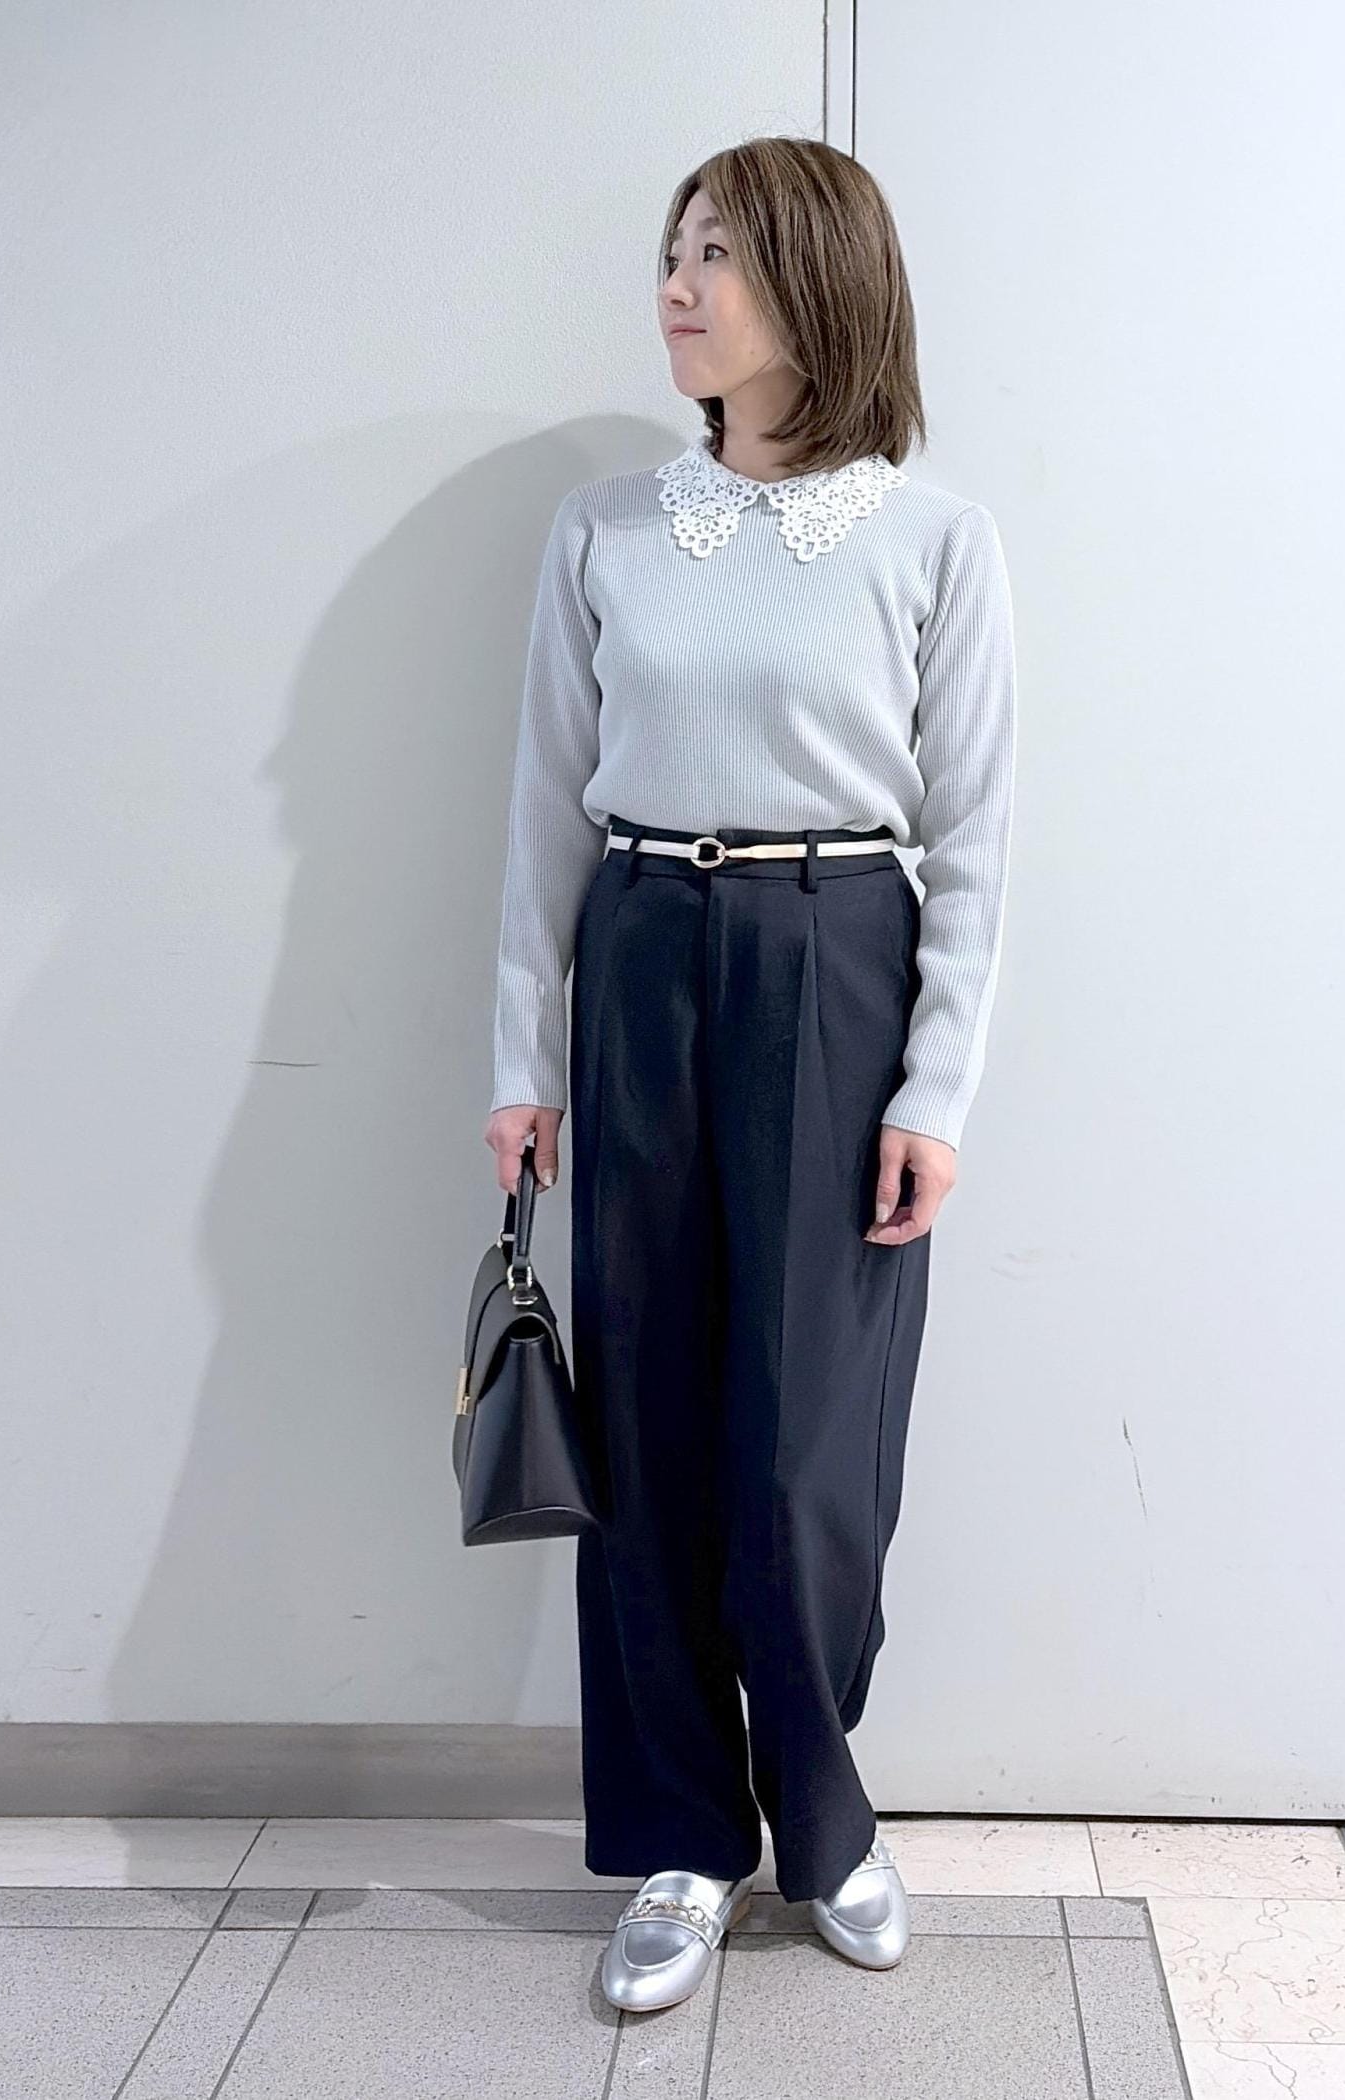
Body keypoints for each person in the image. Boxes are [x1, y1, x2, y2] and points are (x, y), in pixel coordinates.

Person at [483, 135, 1017, 2012]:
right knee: (645, 1421)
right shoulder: (608, 530)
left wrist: (934, 1091)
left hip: (837, 956)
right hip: (642, 949)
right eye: (675, 249)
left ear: (820, 283)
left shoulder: (934, 540)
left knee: (805, 1445)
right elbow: (545, 807)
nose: (678, 285)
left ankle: (825, 1809)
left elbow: (977, 839)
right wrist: (521, 1055)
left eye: (720, 253)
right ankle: (683, 1841)